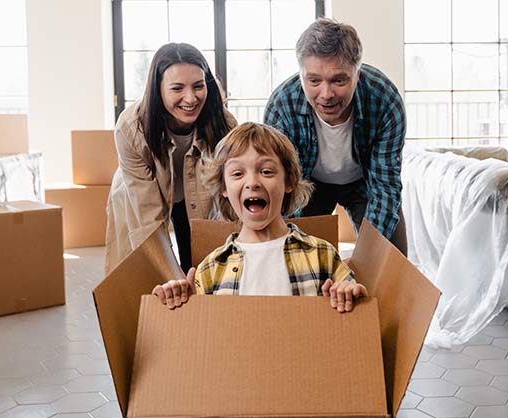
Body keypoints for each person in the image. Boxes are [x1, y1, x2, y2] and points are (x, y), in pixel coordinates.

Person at [152, 122, 367, 313]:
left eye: (266, 171)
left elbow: (354, 298)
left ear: (289, 182)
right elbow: (201, 336)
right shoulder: (211, 268)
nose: (252, 182)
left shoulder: (322, 254)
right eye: (237, 173)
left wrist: (348, 291)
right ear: (224, 188)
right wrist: (182, 299)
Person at [263, 18, 408, 255]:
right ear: (301, 75)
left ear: (357, 74)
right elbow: (282, 183)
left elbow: (385, 185)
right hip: (308, 184)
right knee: (297, 260)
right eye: (314, 81)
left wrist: (371, 256)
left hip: (365, 183)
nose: (326, 94)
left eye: (339, 80)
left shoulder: (385, 100)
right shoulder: (281, 107)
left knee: (390, 260)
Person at [105, 43, 235, 273]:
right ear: (158, 89)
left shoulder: (224, 124)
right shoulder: (130, 128)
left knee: (199, 265)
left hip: (197, 194)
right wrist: (171, 275)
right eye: (177, 88)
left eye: (198, 86)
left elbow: (230, 196)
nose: (190, 98)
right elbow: (148, 221)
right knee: (148, 271)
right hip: (141, 195)